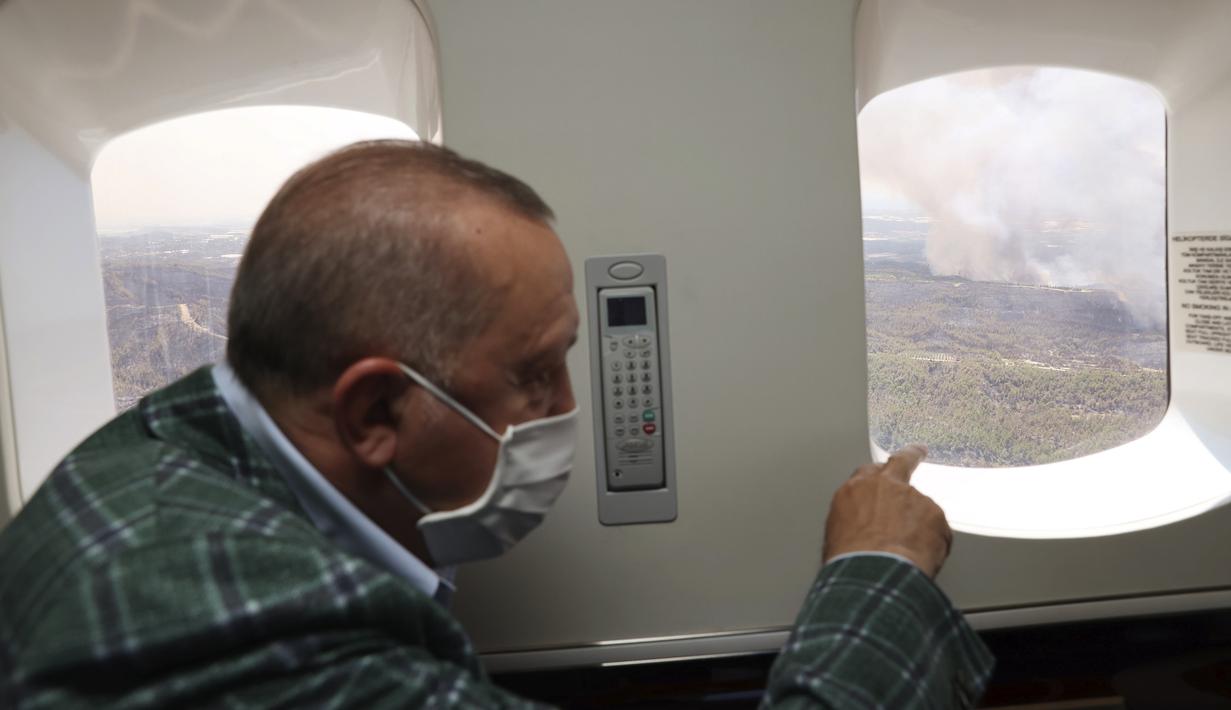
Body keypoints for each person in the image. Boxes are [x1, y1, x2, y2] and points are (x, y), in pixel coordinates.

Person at [0, 141, 992, 707]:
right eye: (532, 372)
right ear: (375, 409)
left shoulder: (160, 444)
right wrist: (878, 570)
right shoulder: (246, 640)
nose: (566, 407)